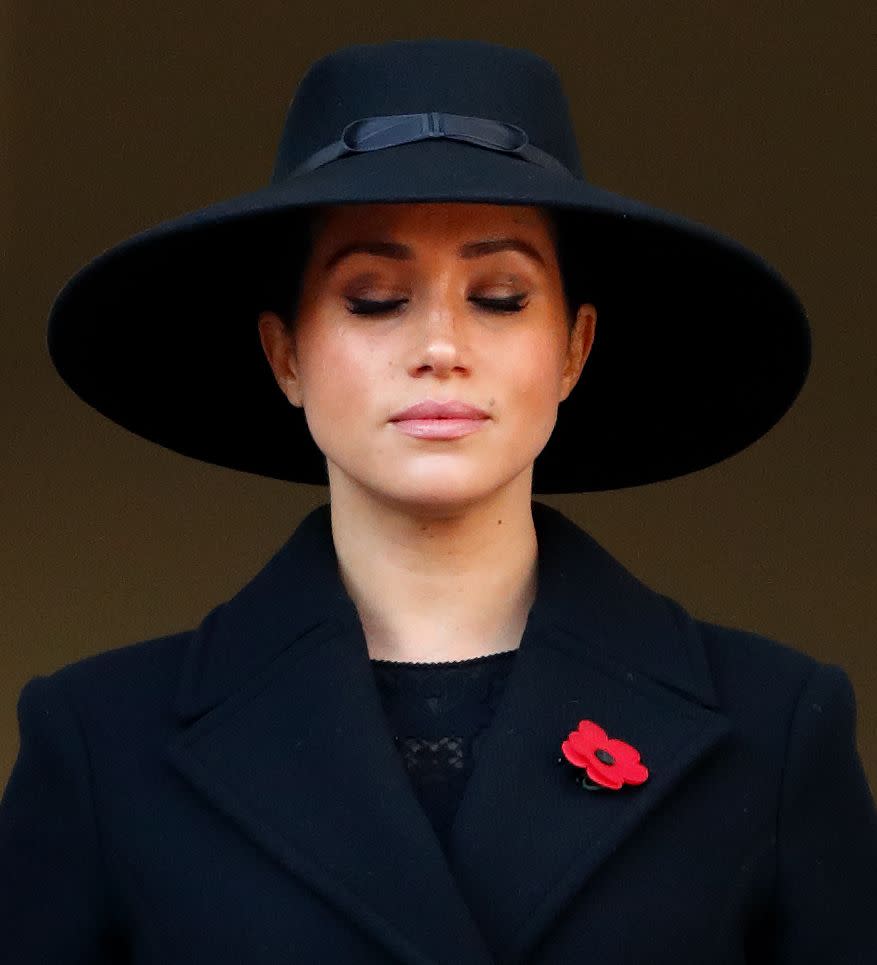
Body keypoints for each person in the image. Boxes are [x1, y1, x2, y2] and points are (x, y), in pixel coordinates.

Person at [1, 37, 875, 965]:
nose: (440, 344)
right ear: (285, 354)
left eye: (499, 296)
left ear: (573, 350)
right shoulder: (100, 744)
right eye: (374, 298)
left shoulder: (776, 729)